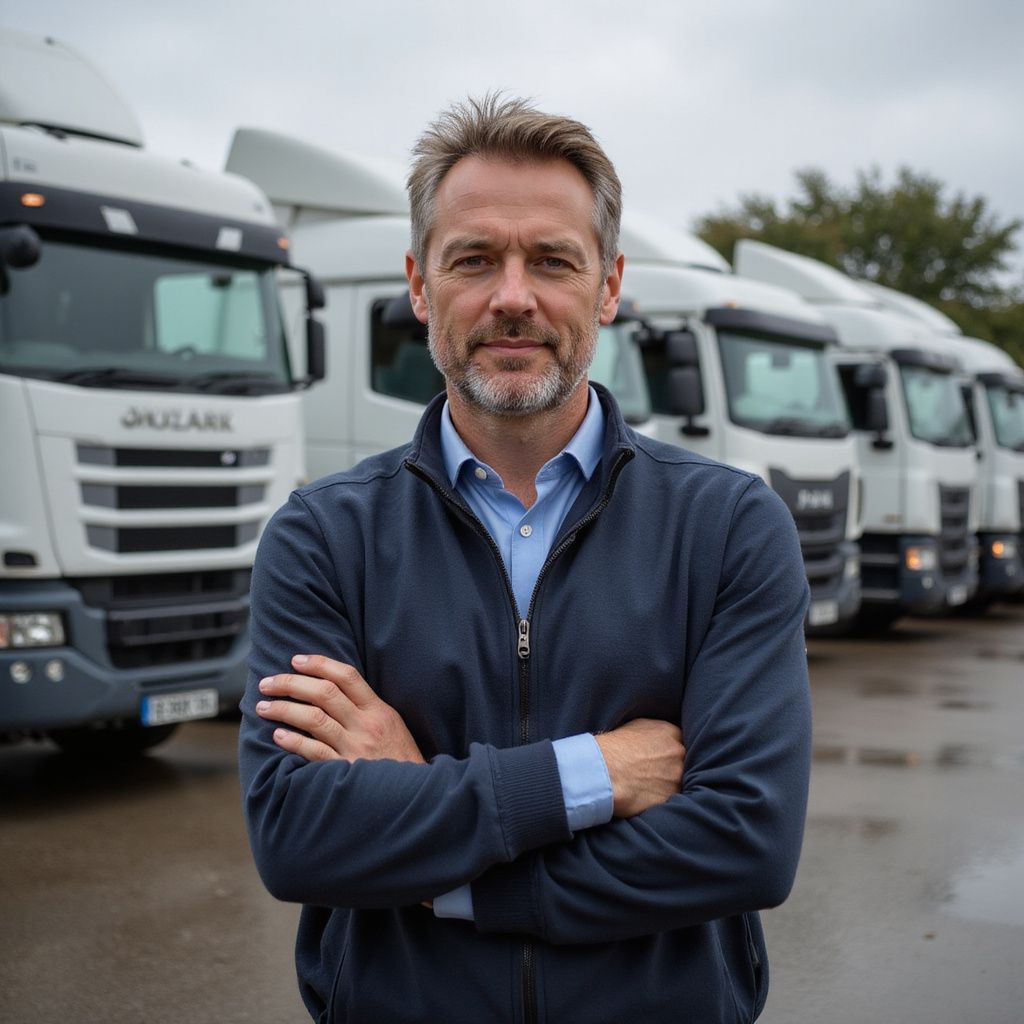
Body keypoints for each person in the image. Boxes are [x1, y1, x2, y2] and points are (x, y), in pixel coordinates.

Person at [239, 94, 812, 1024]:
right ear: (421, 287)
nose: (514, 296)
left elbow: (747, 843)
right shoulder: (322, 537)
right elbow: (299, 839)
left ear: (610, 285)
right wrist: (594, 772)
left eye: (553, 260)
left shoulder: (729, 526)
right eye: (474, 260)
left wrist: (440, 846)